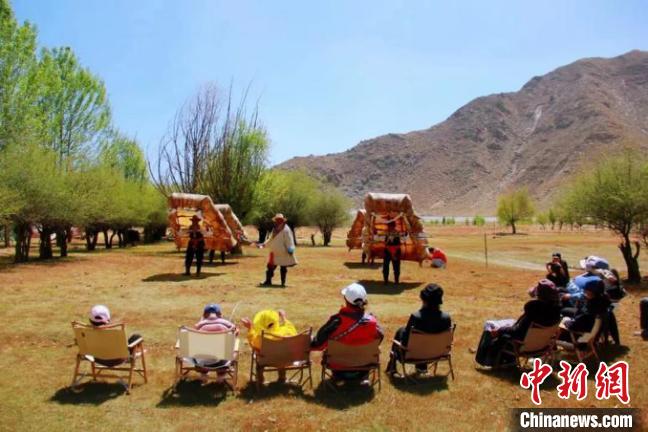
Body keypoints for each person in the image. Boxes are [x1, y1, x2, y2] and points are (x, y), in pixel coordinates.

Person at [474, 280, 561, 367]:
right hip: (540, 347)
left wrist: (500, 330)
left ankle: (484, 359)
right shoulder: (555, 312)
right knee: (510, 322)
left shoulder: (534, 311)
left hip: (520, 345)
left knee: (489, 324)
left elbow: (517, 331)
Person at [311, 283, 384, 383]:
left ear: (345, 299)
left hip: (338, 367)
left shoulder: (336, 321)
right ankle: (363, 376)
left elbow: (318, 345)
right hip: (365, 365)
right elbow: (379, 339)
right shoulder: (373, 322)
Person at [386, 284, 452, 375]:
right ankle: (421, 368)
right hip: (438, 354)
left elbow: (405, 342)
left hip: (415, 355)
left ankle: (391, 366)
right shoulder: (446, 318)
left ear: (423, 299)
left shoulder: (416, 317)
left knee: (400, 331)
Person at [241, 309, 297, 384]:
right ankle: (282, 378)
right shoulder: (287, 331)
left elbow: (253, 343)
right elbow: (290, 326)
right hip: (286, 360)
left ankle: (260, 380)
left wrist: (250, 328)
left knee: (259, 359)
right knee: (280, 354)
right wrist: (283, 317)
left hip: (266, 361)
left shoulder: (260, 338)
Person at [193, 303, 238, 382]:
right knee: (232, 349)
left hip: (201, 362)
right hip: (222, 361)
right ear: (220, 314)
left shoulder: (198, 325)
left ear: (204, 315)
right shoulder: (226, 324)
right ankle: (221, 375)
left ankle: (203, 374)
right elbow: (235, 332)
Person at [258, 214, 297, 287]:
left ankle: (283, 283)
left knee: (283, 268)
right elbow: (270, 239)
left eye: (279, 220)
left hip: (283, 253)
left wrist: (290, 249)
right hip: (274, 253)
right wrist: (263, 245)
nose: (277, 221)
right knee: (270, 267)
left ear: (282, 221)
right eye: (277, 220)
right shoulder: (274, 229)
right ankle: (268, 281)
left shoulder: (286, 230)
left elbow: (289, 240)